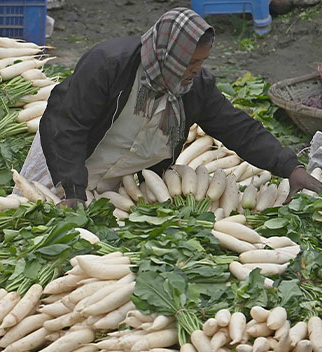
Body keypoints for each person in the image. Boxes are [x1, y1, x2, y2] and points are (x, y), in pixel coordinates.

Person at [21, 8, 322, 208]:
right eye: (190, 63)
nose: (195, 70)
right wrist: (72, 189)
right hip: (61, 162)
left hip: (115, 181)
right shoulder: (109, 65)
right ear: (168, 54)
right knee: (34, 219)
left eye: (201, 62)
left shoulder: (193, 87)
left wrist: (289, 167)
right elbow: (66, 124)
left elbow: (238, 128)